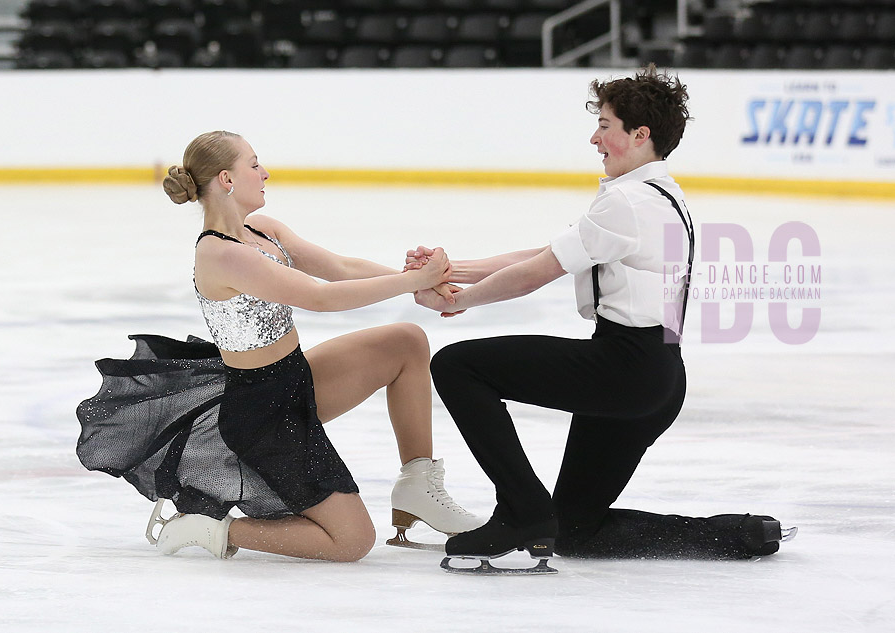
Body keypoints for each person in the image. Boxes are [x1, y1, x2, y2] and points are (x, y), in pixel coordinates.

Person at [408, 66, 795, 571]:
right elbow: (552, 251)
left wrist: (459, 300)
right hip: (657, 374)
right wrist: (452, 268)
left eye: (606, 124)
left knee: (459, 366)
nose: (595, 137)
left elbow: (536, 273)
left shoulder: (628, 201)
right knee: (576, 530)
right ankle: (738, 534)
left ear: (640, 135)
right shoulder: (658, 194)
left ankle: (523, 510)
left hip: (622, 366)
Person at [76, 130, 483, 563]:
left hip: (295, 377)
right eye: (254, 164)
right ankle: (216, 528)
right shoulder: (219, 253)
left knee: (404, 342)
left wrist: (424, 286)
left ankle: (418, 482)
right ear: (227, 179)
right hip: (263, 415)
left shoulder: (260, 230)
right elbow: (319, 298)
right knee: (352, 542)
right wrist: (413, 281)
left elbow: (339, 269)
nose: (265, 172)